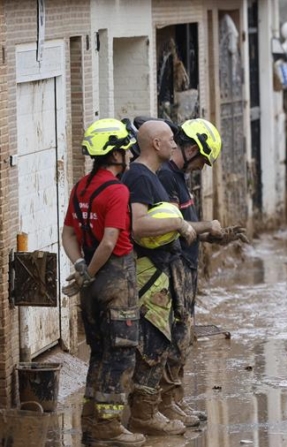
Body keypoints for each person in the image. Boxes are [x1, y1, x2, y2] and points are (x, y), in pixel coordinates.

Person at [156, 117, 248, 428]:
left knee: (183, 338)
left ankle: (174, 400)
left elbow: (187, 227)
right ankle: (166, 403)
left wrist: (217, 235)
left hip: (188, 267)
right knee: (176, 338)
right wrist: (208, 226)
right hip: (175, 267)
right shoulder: (166, 177)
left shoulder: (177, 177)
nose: (203, 167)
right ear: (192, 148)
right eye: (203, 160)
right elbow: (173, 229)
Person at [62, 118, 145, 447]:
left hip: (91, 285)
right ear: (114, 155)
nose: (127, 155)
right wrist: (92, 270)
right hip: (115, 279)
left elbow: (69, 234)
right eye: (125, 149)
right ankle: (109, 425)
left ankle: (91, 420)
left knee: (98, 352)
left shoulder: (81, 187)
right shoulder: (118, 190)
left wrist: (81, 268)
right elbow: (111, 241)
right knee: (121, 354)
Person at [122, 120, 197, 437]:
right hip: (149, 274)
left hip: (161, 270)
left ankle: (154, 409)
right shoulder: (139, 177)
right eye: (170, 140)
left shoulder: (148, 176)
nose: (174, 145)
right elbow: (138, 226)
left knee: (164, 339)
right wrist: (178, 225)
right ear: (155, 143)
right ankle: (143, 414)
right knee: (152, 343)